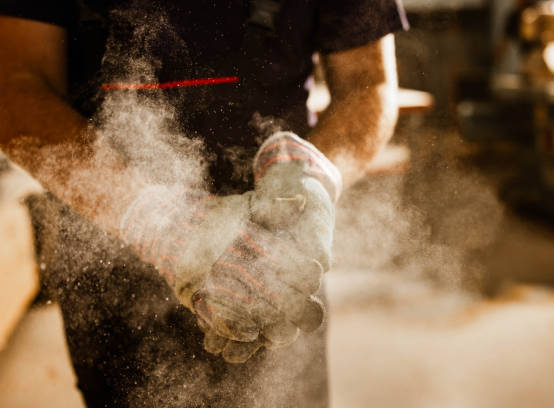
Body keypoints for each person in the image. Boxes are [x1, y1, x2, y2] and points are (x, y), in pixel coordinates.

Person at [0, 1, 407, 406]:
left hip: (275, 258)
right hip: (112, 236)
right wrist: (153, 218)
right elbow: (15, 86)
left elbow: (367, 83)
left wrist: (311, 177)